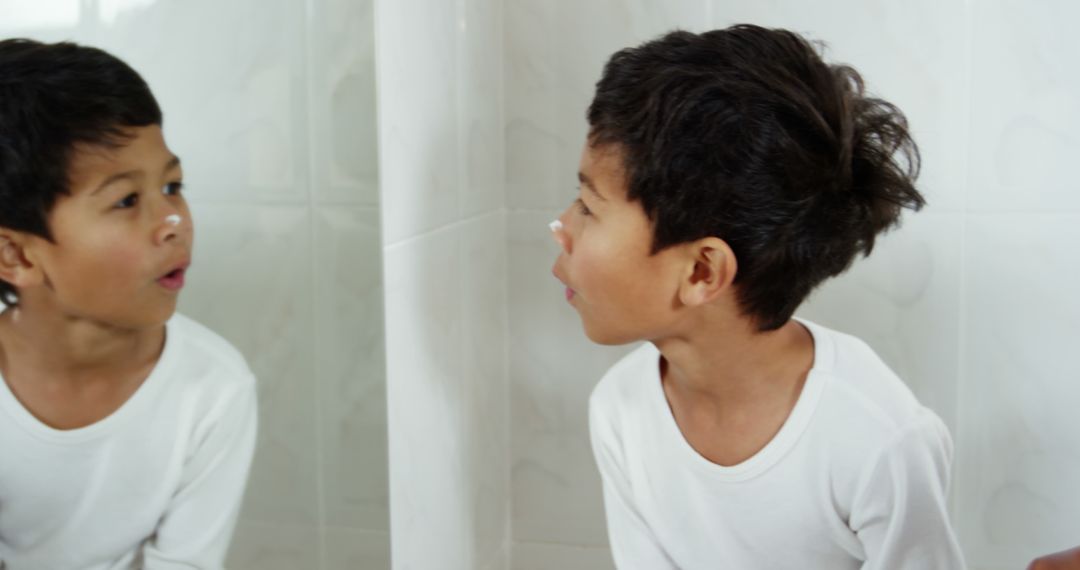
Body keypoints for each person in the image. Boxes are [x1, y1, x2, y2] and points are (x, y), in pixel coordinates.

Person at [550, 25, 965, 569]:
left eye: (588, 206)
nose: (560, 226)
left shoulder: (880, 440)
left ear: (702, 270)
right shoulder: (620, 408)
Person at [0, 39, 257, 569]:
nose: (175, 222)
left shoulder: (214, 392)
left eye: (173, 185)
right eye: (126, 200)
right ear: (15, 254)